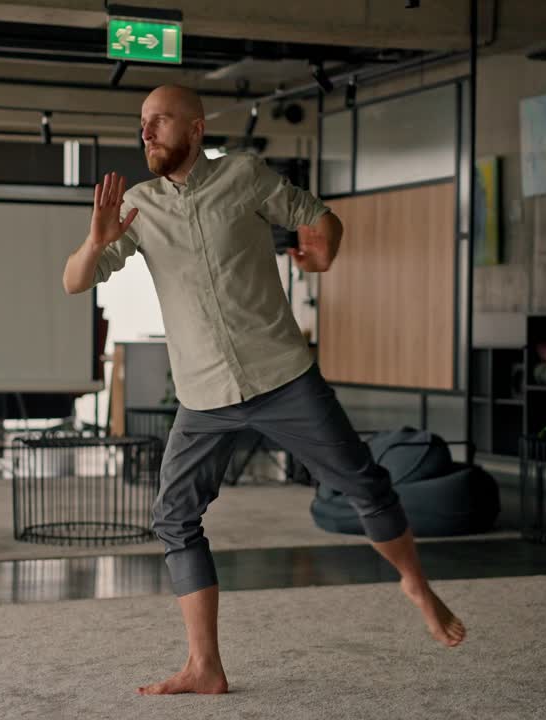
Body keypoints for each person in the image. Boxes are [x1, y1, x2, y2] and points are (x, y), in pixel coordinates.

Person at [62, 85, 466, 696]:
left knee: (364, 483)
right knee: (174, 518)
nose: (146, 132)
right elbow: (73, 283)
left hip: (281, 376)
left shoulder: (244, 176)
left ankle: (415, 584)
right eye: (142, 122)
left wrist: (324, 254)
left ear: (196, 129)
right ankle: (205, 666)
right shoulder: (139, 207)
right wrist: (96, 241)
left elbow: (319, 216)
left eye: (160, 120)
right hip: (202, 395)